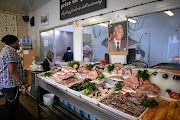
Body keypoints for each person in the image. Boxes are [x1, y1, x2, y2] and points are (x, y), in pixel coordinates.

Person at [0, 35, 26, 120]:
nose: (19, 44)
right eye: (18, 42)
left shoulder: (6, 50)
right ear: (14, 43)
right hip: (10, 85)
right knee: (13, 106)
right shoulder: (9, 52)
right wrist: (22, 83)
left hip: (7, 84)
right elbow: (13, 71)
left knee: (9, 103)